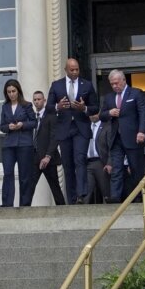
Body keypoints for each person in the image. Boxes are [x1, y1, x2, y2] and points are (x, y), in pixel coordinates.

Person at [47, 57, 99, 205]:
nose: (75, 72)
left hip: (80, 128)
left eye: (77, 69)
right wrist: (58, 107)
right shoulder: (56, 86)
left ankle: (81, 194)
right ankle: (72, 198)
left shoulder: (87, 85)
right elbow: (49, 108)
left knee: (80, 160)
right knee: (67, 164)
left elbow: (95, 107)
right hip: (64, 129)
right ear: (66, 70)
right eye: (72, 70)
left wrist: (84, 108)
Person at [102, 68, 144, 201]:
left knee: (136, 170)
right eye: (112, 84)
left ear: (124, 80)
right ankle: (115, 198)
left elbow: (143, 113)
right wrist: (109, 113)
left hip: (133, 138)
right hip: (116, 139)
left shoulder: (136, 93)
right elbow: (101, 115)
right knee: (116, 170)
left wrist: (141, 131)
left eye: (117, 83)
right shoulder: (108, 97)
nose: (115, 86)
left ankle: (139, 199)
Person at [0, 77, 37, 207]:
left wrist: (22, 125)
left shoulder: (27, 105)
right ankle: (7, 204)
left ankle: (24, 204)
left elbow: (34, 123)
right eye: (9, 92)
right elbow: (2, 126)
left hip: (24, 144)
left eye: (13, 91)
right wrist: (8, 127)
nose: (11, 94)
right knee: (8, 173)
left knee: (24, 176)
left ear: (18, 91)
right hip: (8, 145)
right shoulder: (5, 107)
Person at [30, 89, 65, 205]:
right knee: (29, 187)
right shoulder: (32, 117)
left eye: (39, 99)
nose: (37, 102)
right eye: (35, 100)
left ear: (44, 100)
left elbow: (54, 138)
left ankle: (62, 211)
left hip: (49, 158)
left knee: (55, 187)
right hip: (34, 157)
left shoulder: (51, 116)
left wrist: (48, 156)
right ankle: (24, 210)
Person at [85, 111, 115, 204]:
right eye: (91, 113)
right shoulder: (84, 127)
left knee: (106, 192)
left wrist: (110, 163)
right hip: (87, 163)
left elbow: (112, 147)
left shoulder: (107, 127)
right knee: (86, 192)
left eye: (95, 112)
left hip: (101, 163)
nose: (92, 115)